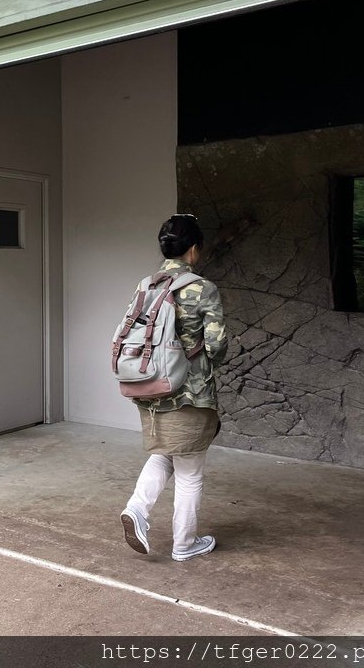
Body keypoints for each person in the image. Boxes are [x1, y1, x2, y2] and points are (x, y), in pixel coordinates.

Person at [120, 214, 228, 561]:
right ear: (194, 249)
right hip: (190, 392)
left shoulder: (146, 284)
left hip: (150, 389)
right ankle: (184, 544)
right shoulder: (201, 288)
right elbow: (217, 346)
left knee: (164, 453)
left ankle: (137, 510)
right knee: (190, 470)